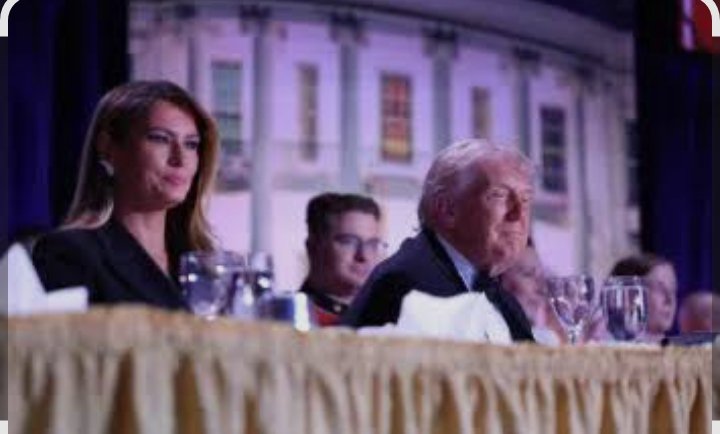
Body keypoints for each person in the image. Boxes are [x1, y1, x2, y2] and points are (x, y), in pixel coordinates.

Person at [32, 80, 219, 309]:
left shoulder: (203, 261)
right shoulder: (70, 253)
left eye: (191, 144)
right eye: (160, 138)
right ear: (108, 147)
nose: (180, 159)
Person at [343, 139, 535, 342]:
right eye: (499, 195)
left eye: (525, 199)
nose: (519, 214)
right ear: (446, 208)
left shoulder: (502, 299)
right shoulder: (405, 287)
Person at [300, 192, 386, 326]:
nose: (363, 256)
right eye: (349, 241)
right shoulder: (286, 322)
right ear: (314, 247)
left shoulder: (389, 321)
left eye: (372, 244)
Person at [609, 254, 678, 343]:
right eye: (659, 288)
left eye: (673, 289)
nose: (669, 300)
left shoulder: (684, 350)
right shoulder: (602, 347)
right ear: (626, 295)